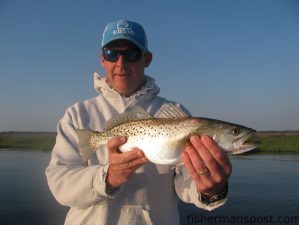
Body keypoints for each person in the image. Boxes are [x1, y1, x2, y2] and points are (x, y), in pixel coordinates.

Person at [46, 19, 232, 225]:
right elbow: (60, 184)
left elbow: (185, 182)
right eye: (112, 54)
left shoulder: (178, 115)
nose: (120, 63)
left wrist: (211, 190)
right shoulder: (77, 115)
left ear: (147, 59)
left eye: (131, 53)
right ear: (102, 59)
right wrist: (107, 177)